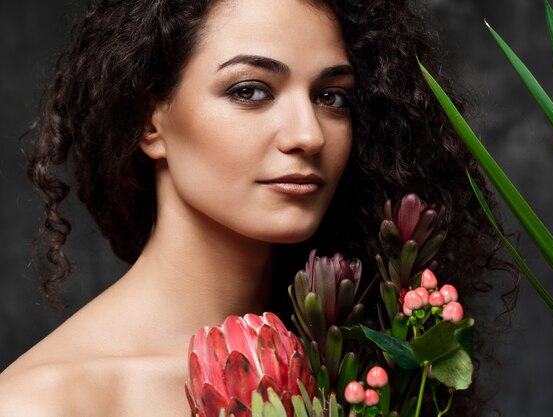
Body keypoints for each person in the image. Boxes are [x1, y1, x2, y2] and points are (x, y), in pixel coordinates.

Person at [0, 0, 511, 415]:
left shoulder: (372, 369)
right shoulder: (43, 403)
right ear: (149, 122)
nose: (308, 135)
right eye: (250, 91)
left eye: (332, 97)